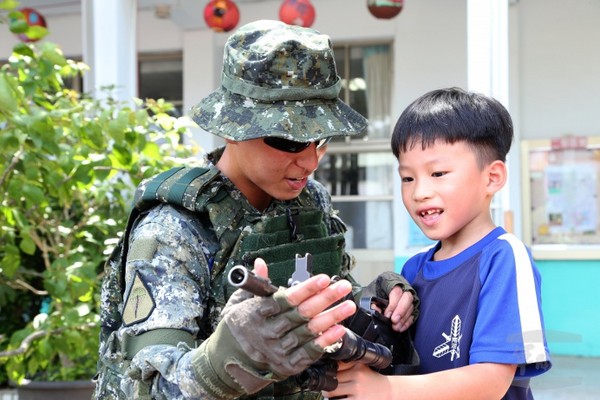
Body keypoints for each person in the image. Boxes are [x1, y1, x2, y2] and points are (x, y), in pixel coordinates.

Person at [93, 20, 418, 400]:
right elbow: (145, 388)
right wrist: (224, 361)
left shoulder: (309, 200)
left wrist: (368, 299)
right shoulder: (173, 230)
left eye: (322, 139)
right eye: (289, 141)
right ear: (232, 128)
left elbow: (326, 297)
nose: (310, 162)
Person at [324, 87, 552, 400]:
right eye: (408, 178)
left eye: (438, 173)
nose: (420, 192)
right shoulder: (414, 268)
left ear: (492, 177)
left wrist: (385, 390)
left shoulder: (504, 258)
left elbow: (492, 382)